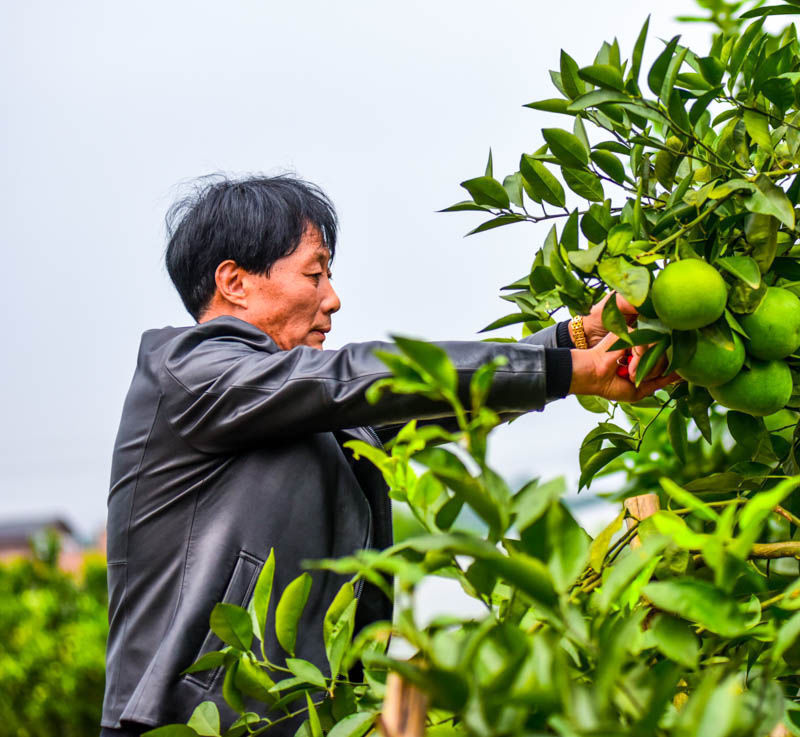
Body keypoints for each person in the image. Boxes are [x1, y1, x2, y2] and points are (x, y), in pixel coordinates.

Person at [100, 174, 675, 735]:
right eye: (315, 273)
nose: (333, 298)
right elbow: (358, 379)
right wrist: (571, 373)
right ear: (236, 282)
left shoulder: (302, 407)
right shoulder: (190, 372)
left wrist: (575, 338)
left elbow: (436, 398)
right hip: (184, 722)